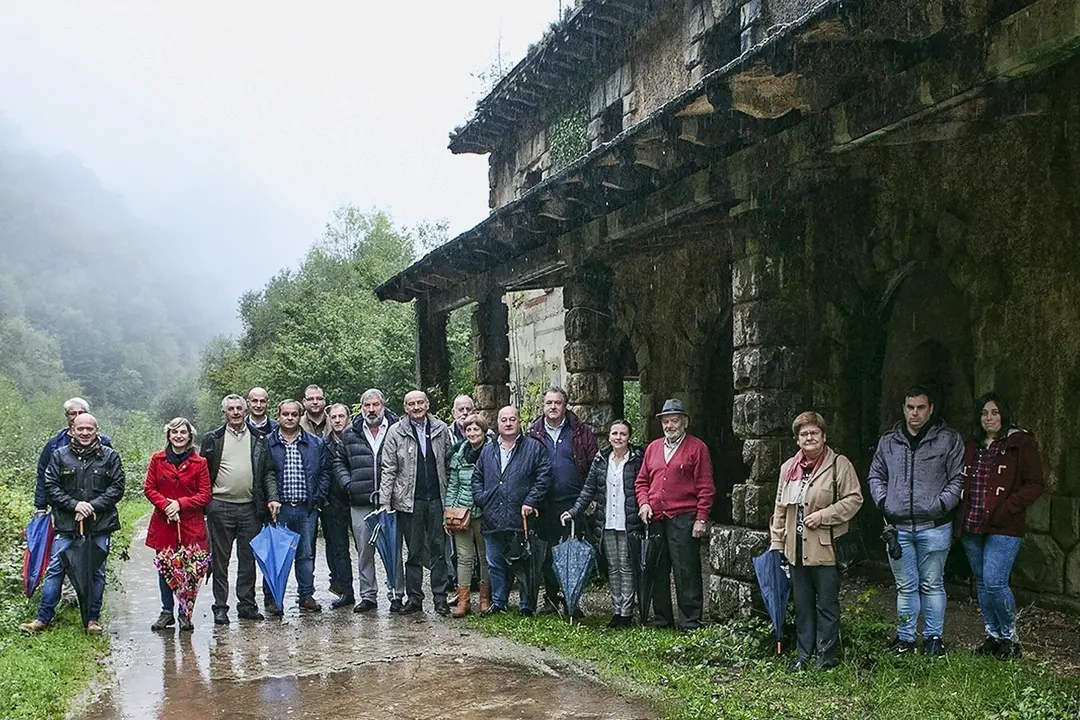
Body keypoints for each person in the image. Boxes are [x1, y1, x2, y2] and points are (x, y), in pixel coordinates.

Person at [868, 385, 963, 657]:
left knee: (932, 584)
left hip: (934, 526)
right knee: (906, 586)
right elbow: (876, 474)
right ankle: (905, 639)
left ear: (930, 409)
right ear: (903, 408)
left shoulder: (948, 440)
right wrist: (885, 502)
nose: (915, 413)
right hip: (897, 528)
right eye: (910, 407)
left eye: (921, 407)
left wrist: (941, 504)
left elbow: (957, 478)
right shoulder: (889, 441)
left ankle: (934, 639)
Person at [769, 411, 863, 671]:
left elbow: (854, 499)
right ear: (797, 439)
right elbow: (779, 507)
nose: (809, 437)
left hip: (826, 549)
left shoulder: (839, 465)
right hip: (795, 549)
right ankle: (803, 655)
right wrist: (777, 543)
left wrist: (824, 515)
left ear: (824, 436)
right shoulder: (788, 469)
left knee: (827, 605)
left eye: (814, 433)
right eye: (803, 434)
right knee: (802, 606)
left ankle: (826, 657)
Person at [955, 392, 1045, 659]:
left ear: (1003, 414)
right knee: (982, 583)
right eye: (984, 413)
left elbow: (1036, 485)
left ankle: (1011, 639)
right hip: (972, 523)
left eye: (994, 413)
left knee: (995, 582)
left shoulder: (1020, 442)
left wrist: (1007, 508)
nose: (989, 418)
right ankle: (993, 636)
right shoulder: (973, 444)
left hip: (1004, 525)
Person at [20, 414, 125, 634]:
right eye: (80, 429)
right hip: (67, 525)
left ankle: (92, 620)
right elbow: (51, 487)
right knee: (56, 569)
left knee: (96, 572)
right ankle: (42, 619)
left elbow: (117, 487)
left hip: (100, 525)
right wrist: (75, 505)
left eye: (89, 429)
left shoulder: (110, 456)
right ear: (72, 430)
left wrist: (92, 506)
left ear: (97, 430)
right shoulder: (59, 456)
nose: (85, 433)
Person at [635, 398, 714, 631]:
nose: (670, 425)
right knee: (658, 569)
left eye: (675, 420)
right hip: (656, 517)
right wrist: (644, 503)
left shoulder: (697, 448)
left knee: (686, 570)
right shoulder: (653, 448)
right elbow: (642, 481)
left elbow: (706, 486)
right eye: (666, 421)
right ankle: (662, 620)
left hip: (684, 517)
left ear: (685, 422)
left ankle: (690, 622)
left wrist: (701, 517)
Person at [201, 394, 280, 625]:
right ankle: (220, 607)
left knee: (248, 560)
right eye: (231, 409)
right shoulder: (212, 438)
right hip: (220, 506)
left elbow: (268, 472)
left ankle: (246, 605)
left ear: (245, 411)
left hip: (250, 508)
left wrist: (272, 497)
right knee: (220, 561)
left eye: (239, 408)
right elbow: (203, 473)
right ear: (224, 412)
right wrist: (205, 505)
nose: (235, 412)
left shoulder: (259, 438)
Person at [471, 405, 552, 616]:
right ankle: (499, 602)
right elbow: (477, 477)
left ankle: (526, 605)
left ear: (519, 422)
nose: (508, 423)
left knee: (524, 562)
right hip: (493, 516)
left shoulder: (534, 448)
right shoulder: (488, 450)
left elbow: (544, 477)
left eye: (512, 419)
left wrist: (531, 501)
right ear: (497, 424)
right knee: (494, 562)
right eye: (503, 420)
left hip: (521, 516)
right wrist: (482, 499)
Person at [561, 419, 642, 628]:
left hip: (628, 522)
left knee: (627, 567)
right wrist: (574, 511)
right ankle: (616, 611)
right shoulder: (600, 460)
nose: (618, 438)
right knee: (613, 568)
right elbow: (588, 490)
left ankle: (627, 612)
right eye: (615, 433)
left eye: (623, 434)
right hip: (607, 522)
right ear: (609, 437)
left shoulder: (636, 460)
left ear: (629, 437)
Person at [526, 386, 597, 613]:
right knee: (548, 554)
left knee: (571, 553)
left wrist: (588, 499)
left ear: (565, 406)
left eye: (557, 403)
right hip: (544, 503)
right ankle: (550, 599)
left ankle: (571, 599)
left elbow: (592, 465)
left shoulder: (580, 432)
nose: (553, 407)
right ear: (543, 406)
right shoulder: (533, 433)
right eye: (549, 403)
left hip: (573, 502)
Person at [334, 389, 405, 613]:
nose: (371, 409)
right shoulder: (350, 433)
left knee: (393, 549)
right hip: (360, 500)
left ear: (383, 405)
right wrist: (349, 484)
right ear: (361, 407)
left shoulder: (398, 430)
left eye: (375, 405)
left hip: (390, 502)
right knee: (364, 551)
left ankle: (396, 594)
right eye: (367, 405)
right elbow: (338, 462)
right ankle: (368, 595)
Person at [380, 390, 451, 615]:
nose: (417, 407)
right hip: (408, 501)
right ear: (405, 407)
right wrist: (385, 502)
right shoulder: (396, 432)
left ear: (427, 404)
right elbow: (389, 469)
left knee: (439, 549)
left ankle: (440, 597)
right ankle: (415, 598)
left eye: (420, 402)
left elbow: (449, 464)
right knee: (413, 552)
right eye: (411, 404)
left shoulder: (441, 429)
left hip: (437, 498)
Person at [144, 417, 212, 632]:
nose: (179, 436)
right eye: (174, 432)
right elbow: (150, 488)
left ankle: (185, 613)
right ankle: (167, 611)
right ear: (169, 435)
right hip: (164, 523)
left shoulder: (199, 463)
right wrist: (166, 506)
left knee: (191, 570)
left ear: (190, 436)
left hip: (190, 523)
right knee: (166, 567)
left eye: (183, 432)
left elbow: (205, 495)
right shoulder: (157, 459)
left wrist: (180, 504)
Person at [265, 400, 330, 613]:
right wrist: (270, 499)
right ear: (278, 415)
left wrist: (317, 499)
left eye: (294, 414)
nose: (290, 418)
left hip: (305, 508)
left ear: (299, 415)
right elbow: (265, 474)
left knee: (305, 555)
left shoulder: (314, 443)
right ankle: (274, 598)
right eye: (285, 414)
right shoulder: (268, 443)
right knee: (277, 556)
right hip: (278, 509)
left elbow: (324, 472)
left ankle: (306, 595)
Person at [445, 413, 493, 617]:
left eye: (477, 429)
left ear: (484, 431)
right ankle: (463, 600)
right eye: (469, 430)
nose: (472, 433)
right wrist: (448, 512)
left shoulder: (493, 452)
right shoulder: (459, 455)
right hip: (462, 512)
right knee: (464, 558)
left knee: (485, 557)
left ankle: (484, 598)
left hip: (485, 512)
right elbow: (453, 486)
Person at [34, 397, 112, 513]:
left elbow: (114, 479)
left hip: (98, 511)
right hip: (62, 510)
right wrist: (41, 506)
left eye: (81, 412)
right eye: (72, 413)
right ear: (67, 416)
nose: (77, 416)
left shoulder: (104, 443)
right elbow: (43, 476)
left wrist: (96, 504)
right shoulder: (54, 445)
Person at [322, 402, 355, 608]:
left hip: (357, 499)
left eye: (341, 416)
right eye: (333, 417)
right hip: (333, 502)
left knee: (365, 548)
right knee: (339, 549)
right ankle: (346, 591)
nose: (337, 420)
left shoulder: (357, 439)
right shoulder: (322, 444)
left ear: (347, 418)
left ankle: (372, 592)